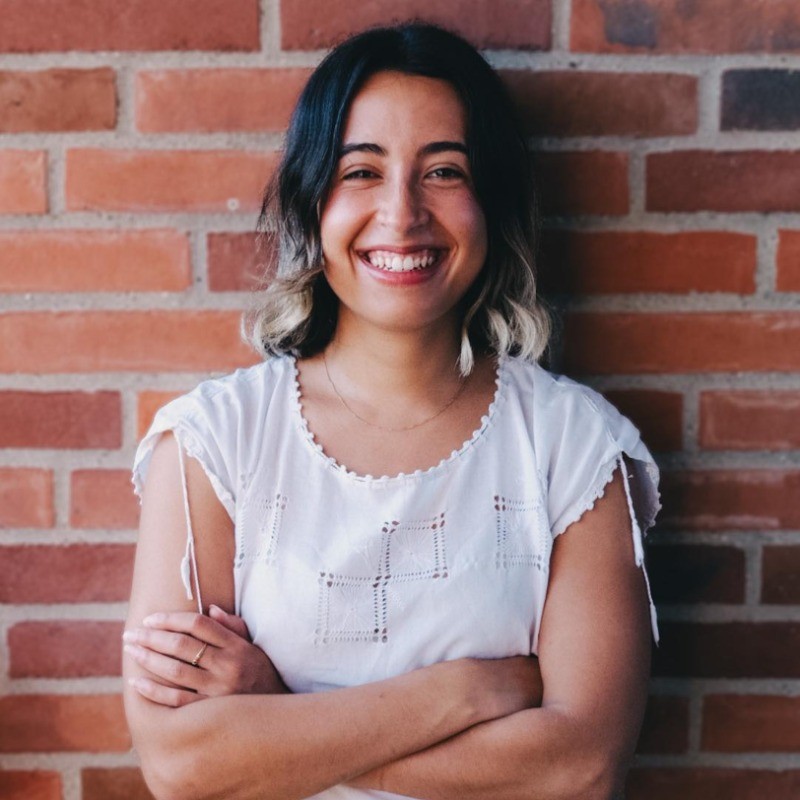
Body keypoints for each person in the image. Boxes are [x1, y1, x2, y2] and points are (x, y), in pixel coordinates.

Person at [123, 22, 660, 800]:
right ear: (313, 203)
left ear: (490, 202)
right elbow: (181, 764)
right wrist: (471, 691)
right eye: (361, 172)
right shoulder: (216, 440)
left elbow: (579, 769)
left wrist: (276, 720)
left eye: (443, 171)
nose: (402, 214)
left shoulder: (572, 446)